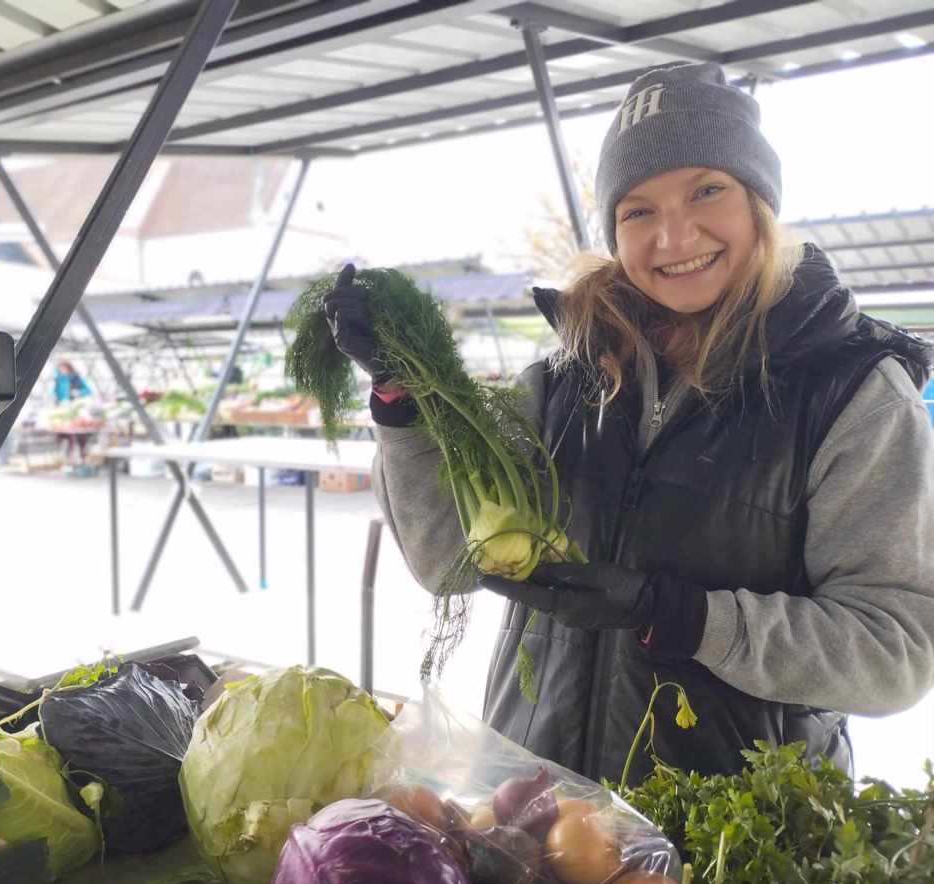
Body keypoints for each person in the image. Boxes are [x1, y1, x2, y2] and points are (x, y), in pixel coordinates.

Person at [325, 62, 934, 784]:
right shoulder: (561, 381)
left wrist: (682, 616)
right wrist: (405, 401)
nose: (673, 237)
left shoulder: (850, 392)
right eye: (637, 210)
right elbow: (447, 557)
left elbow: (892, 650)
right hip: (538, 809)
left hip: (736, 833)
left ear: (759, 203)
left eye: (707, 190)